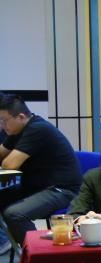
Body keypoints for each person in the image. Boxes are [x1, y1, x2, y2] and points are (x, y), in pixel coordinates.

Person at [0, 94, 82, 253]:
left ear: (21, 117)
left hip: (62, 190)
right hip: (38, 187)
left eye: (4, 120)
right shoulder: (17, 130)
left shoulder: (38, 129)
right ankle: (4, 242)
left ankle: (38, 255)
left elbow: (9, 164)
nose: (2, 126)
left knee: (15, 214)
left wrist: (5, 160)